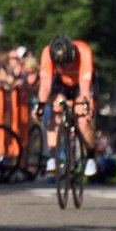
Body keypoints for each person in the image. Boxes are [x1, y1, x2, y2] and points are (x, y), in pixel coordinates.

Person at [38, 35, 97, 177]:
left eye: (67, 63)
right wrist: (40, 105)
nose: (65, 67)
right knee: (55, 108)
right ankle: (52, 156)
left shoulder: (83, 51)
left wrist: (85, 104)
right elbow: (45, 84)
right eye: (61, 65)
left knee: (83, 119)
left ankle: (90, 157)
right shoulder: (47, 52)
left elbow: (84, 87)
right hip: (61, 84)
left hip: (81, 84)